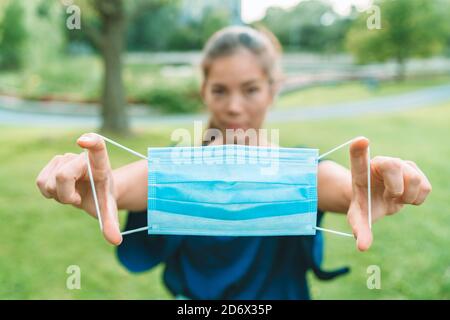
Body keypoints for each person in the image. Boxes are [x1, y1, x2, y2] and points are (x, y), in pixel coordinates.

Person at [35, 26, 432, 299]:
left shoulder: (295, 170)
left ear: (273, 90)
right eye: (220, 90)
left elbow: (336, 185)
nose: (235, 106)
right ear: (203, 91)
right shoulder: (180, 169)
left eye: (251, 89)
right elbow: (125, 184)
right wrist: (97, 185)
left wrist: (366, 189)